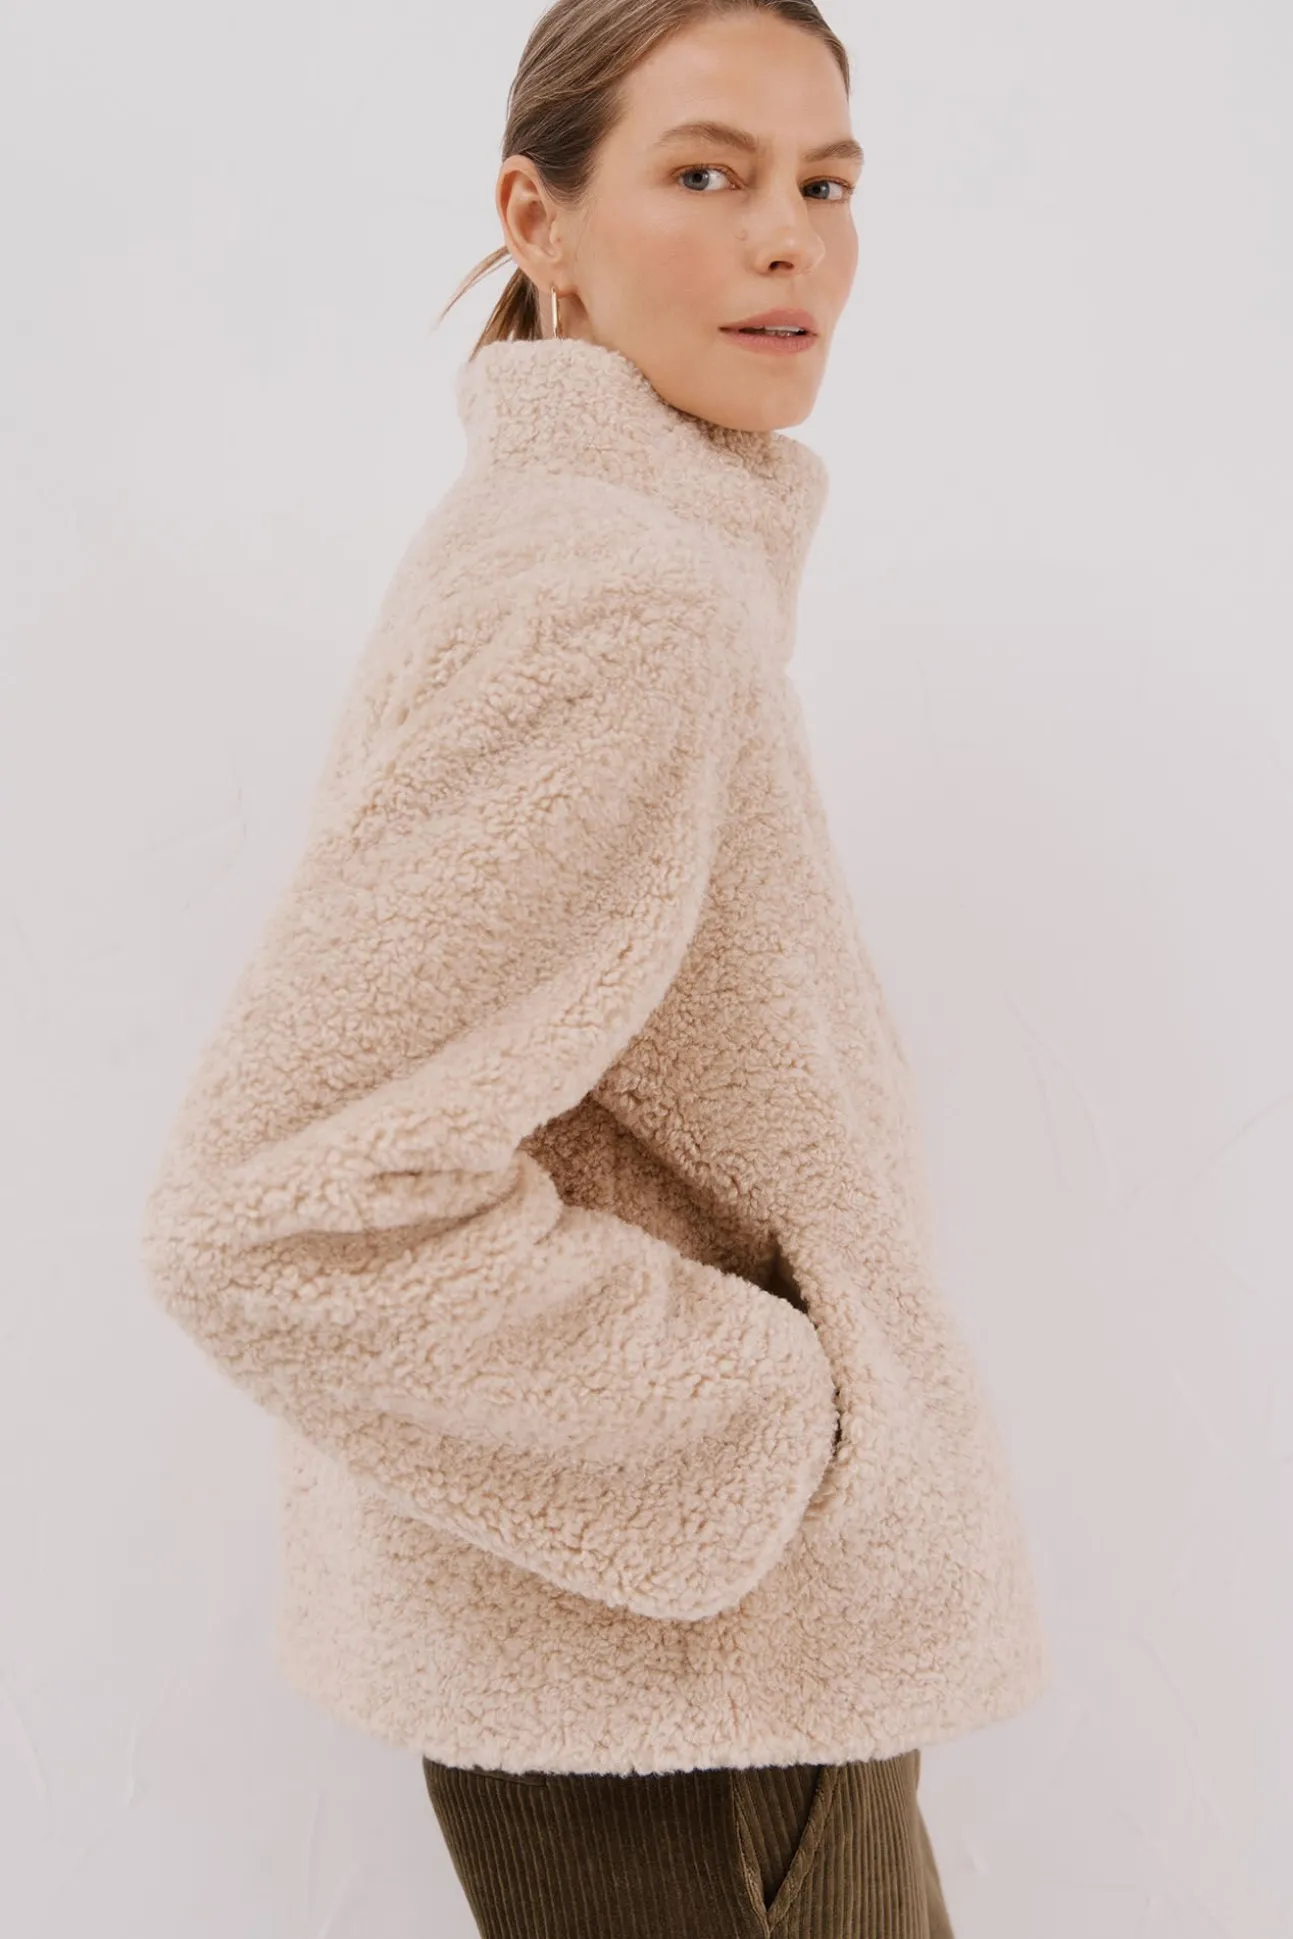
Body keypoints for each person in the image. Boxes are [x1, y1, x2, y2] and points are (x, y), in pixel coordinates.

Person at [139, 1, 1051, 1932]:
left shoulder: (592, 553)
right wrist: (766, 1435)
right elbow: (276, 1207)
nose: (787, 239)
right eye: (708, 174)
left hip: (661, 1679)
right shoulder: (614, 598)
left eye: (827, 185)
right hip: (693, 1697)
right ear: (537, 221)